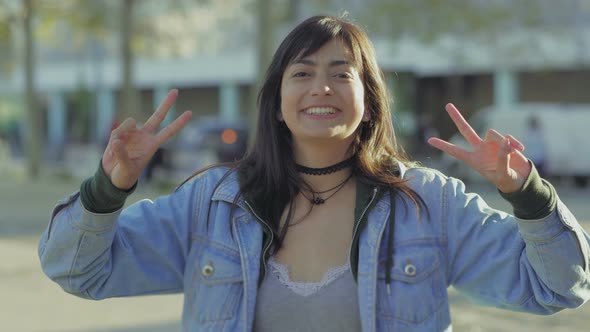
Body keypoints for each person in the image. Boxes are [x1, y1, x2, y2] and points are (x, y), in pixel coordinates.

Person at [38, 15, 589, 332]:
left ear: (369, 101)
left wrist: (529, 196)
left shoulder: (430, 202)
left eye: (340, 74)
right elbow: (79, 271)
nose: (320, 87)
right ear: (278, 102)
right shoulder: (213, 203)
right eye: (302, 73)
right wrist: (109, 189)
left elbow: (557, 289)